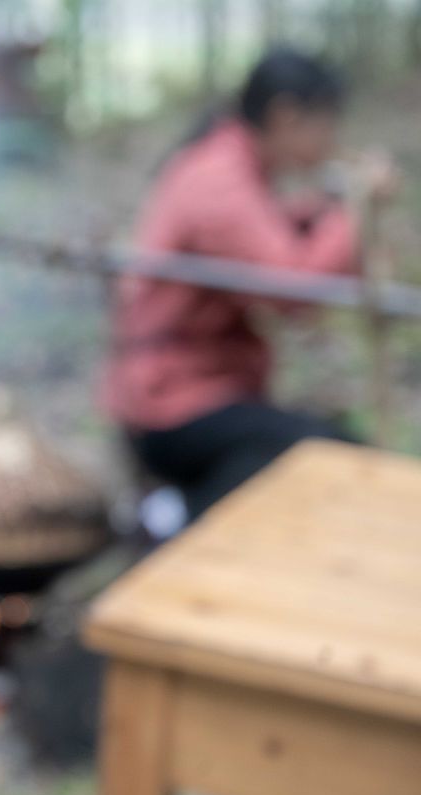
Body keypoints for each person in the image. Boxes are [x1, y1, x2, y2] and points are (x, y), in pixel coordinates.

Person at [102, 48, 398, 522]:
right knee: (331, 458)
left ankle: (176, 513)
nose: (331, 142)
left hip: (208, 393)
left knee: (316, 445)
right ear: (285, 115)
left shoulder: (234, 166)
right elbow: (294, 290)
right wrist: (352, 212)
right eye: (325, 126)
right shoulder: (217, 179)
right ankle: (170, 522)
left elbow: (275, 240)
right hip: (173, 408)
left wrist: (328, 214)